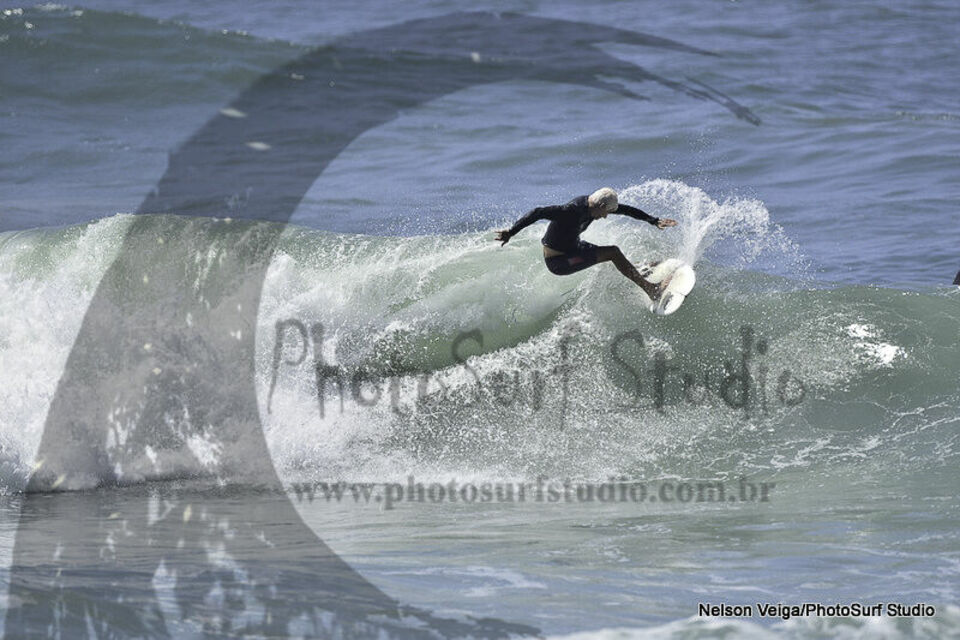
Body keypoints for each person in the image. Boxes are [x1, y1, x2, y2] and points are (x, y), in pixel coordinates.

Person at [494, 188, 677, 300]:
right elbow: (537, 212)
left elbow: (625, 210)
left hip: (575, 247)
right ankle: (651, 290)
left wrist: (653, 220)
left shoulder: (594, 204)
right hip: (560, 262)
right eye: (606, 212)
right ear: (601, 206)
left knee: (613, 254)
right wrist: (511, 232)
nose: (606, 216)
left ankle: (640, 270)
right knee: (612, 252)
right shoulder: (570, 211)